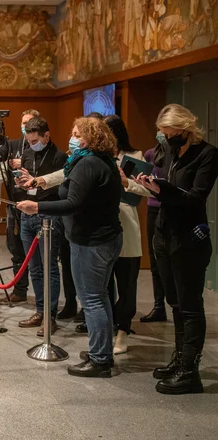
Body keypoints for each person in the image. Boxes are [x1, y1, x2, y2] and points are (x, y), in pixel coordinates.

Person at [17, 117, 122, 378]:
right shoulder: (99, 159)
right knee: (101, 297)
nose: (71, 138)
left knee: (93, 300)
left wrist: (37, 206)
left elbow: (73, 203)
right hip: (104, 238)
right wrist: (39, 182)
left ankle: (99, 360)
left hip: (92, 241)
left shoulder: (87, 163)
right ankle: (103, 352)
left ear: (88, 138)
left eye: (76, 134)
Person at [135, 104, 218, 395]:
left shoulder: (207, 154)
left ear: (185, 129)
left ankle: (190, 371)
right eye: (164, 134)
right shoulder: (169, 151)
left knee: (190, 305)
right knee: (175, 304)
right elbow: (164, 188)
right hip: (164, 232)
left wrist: (162, 190)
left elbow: (196, 197)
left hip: (189, 237)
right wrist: (148, 186)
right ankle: (180, 358)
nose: (166, 138)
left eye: (171, 133)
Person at [15, 117, 67, 336]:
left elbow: (61, 187)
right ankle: (39, 310)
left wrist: (37, 180)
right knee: (34, 266)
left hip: (48, 214)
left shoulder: (60, 157)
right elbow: (27, 184)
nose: (32, 143)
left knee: (49, 267)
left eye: (35, 140)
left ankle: (50, 315)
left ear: (47, 135)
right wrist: (21, 182)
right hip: (28, 214)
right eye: (29, 140)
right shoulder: (26, 154)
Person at [105, 115, 152, 355]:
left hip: (127, 225)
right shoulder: (96, 156)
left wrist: (126, 182)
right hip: (102, 229)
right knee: (103, 285)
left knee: (126, 283)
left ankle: (123, 330)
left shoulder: (135, 157)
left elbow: (145, 190)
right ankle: (107, 326)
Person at [0, 109, 39, 305]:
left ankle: (42, 298)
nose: (25, 127)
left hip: (34, 205)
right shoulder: (13, 144)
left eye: (29, 122)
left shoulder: (41, 147)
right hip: (14, 203)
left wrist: (22, 162)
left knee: (36, 254)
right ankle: (20, 290)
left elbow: (44, 171)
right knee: (15, 249)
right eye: (23, 123)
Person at [140, 147, 167, 323]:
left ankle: (177, 306)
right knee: (154, 257)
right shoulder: (150, 153)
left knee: (168, 259)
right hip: (153, 208)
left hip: (169, 206)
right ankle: (159, 306)